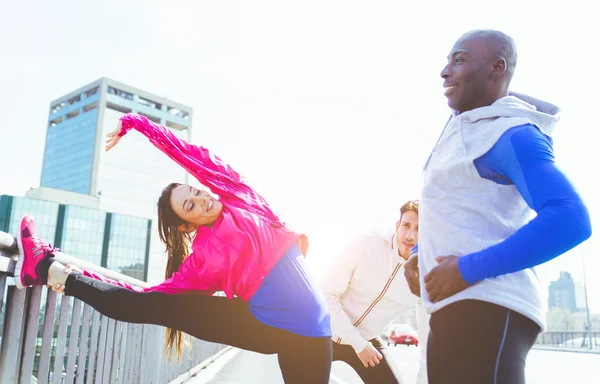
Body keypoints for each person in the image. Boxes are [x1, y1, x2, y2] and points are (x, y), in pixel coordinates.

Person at [14, 113, 332, 384]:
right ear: (187, 225)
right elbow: (148, 296)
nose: (202, 201)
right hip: (267, 324)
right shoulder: (204, 258)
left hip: (315, 335)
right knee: (149, 305)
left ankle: (49, 268)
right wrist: (78, 273)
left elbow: (189, 153)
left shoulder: (242, 198)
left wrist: (137, 123)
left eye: (195, 191)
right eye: (190, 205)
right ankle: (47, 267)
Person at [403, 30, 592, 384]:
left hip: (488, 307)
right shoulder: (460, 132)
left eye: (458, 60)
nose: (445, 71)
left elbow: (571, 217)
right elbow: (461, 210)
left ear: (496, 68)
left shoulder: (512, 134)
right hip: (450, 309)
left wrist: (468, 268)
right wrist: (420, 252)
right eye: (447, 61)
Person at [321, 200, 428, 384]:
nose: (410, 235)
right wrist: (358, 344)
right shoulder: (365, 244)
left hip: (367, 340)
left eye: (419, 229)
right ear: (397, 225)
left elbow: (427, 342)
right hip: (323, 334)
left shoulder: (424, 277)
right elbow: (326, 296)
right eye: (406, 225)